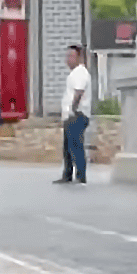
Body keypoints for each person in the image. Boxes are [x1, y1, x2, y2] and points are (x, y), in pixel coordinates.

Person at [54, 44, 92, 185]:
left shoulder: (80, 73)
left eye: (71, 56)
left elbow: (79, 92)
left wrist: (73, 109)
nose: (68, 59)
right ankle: (67, 174)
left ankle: (81, 176)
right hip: (71, 115)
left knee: (76, 146)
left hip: (77, 115)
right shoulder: (74, 73)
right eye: (67, 56)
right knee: (68, 147)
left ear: (79, 58)